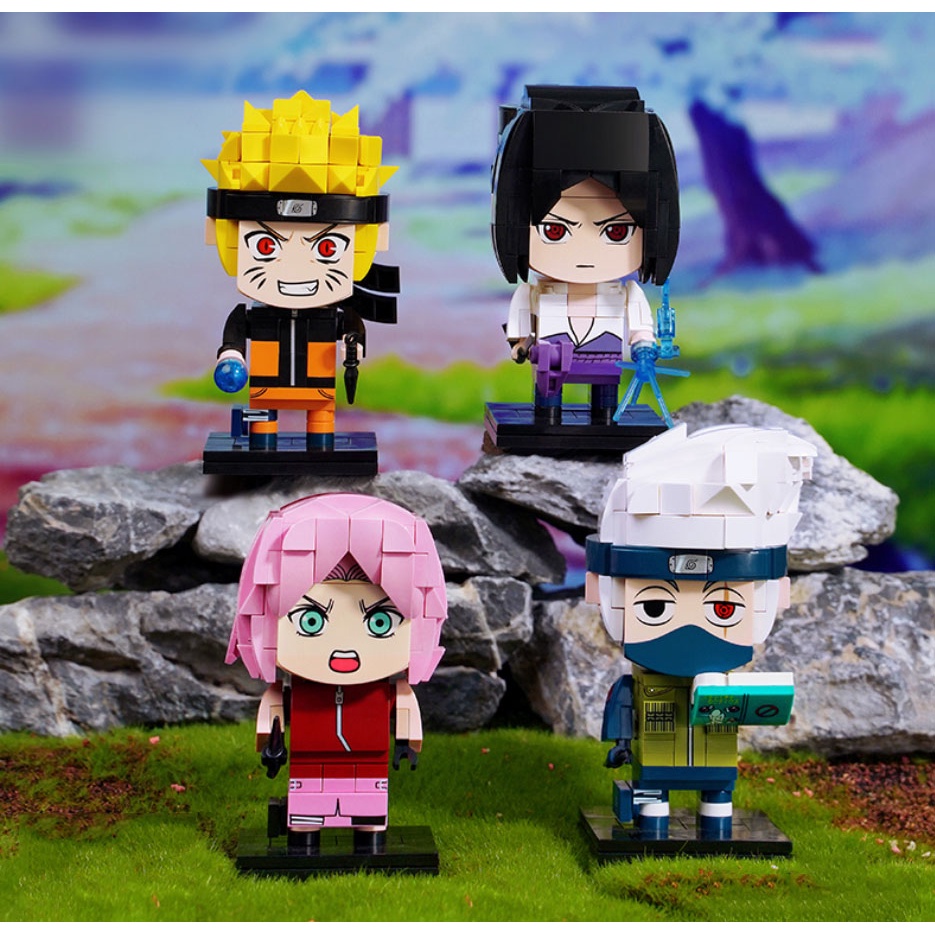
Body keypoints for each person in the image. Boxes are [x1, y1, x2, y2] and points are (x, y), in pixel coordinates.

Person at [585, 423, 815, 839]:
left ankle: (716, 823)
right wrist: (621, 743)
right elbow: (622, 708)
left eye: (724, 608)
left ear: (772, 595)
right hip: (657, 752)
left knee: (718, 791)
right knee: (653, 797)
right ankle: (653, 825)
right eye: (654, 606)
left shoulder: (724, 676)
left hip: (714, 748)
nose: (691, 626)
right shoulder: (639, 676)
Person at [227, 493, 447, 850]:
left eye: (380, 622)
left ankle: (369, 841)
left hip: (370, 764)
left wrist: (406, 743)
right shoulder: (290, 689)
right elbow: (273, 712)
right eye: (310, 621)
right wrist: (270, 743)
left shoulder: (391, 691)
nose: (345, 648)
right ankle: (304, 841)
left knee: (368, 811)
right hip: (309, 765)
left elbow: (406, 709)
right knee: (307, 812)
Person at [204, 90, 399, 453]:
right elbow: (235, 334)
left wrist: (353, 343)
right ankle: (262, 444)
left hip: (318, 387)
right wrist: (231, 353)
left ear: (377, 236)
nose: (294, 267)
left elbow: (352, 328)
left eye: (327, 248)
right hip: (265, 386)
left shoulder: (339, 314)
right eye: (266, 246)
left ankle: (320, 446)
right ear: (216, 230)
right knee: (262, 421)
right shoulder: (251, 316)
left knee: (321, 420)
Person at [491, 85, 680, 425]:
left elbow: (640, 327)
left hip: (606, 353)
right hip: (552, 354)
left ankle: (604, 420)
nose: (585, 253)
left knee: (605, 399)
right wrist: (521, 342)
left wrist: (643, 345)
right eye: (554, 231)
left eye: (616, 232)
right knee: (547, 401)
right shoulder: (534, 292)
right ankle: (547, 418)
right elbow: (521, 316)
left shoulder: (626, 293)